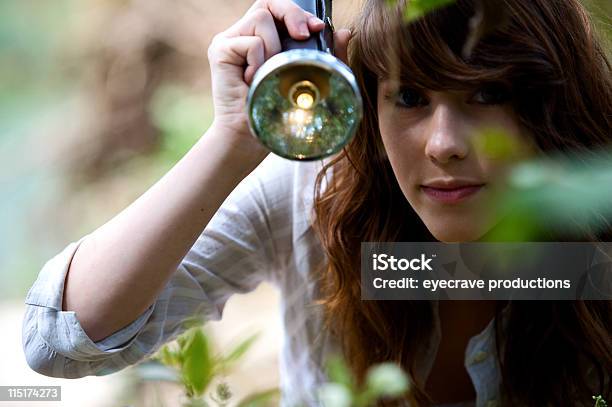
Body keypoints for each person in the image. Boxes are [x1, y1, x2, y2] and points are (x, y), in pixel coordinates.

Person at [22, 0, 611, 406]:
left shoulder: (596, 210)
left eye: (487, 93)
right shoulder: (316, 190)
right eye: (409, 97)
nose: (444, 145)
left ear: (549, 101)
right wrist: (232, 140)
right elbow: (61, 343)